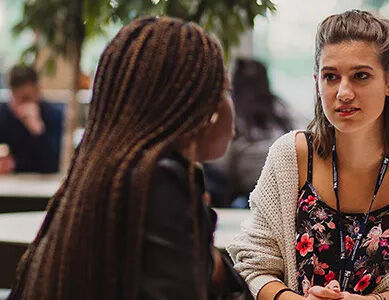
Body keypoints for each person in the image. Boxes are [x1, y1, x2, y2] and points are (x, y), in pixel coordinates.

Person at [8, 17, 250, 300]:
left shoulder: (102, 172)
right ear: (199, 107)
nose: (228, 102)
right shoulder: (160, 183)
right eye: (223, 90)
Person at [227, 10, 389, 300]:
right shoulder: (292, 156)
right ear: (317, 82)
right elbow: (253, 263)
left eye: (360, 76)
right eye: (331, 77)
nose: (343, 92)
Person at [205, 58, 295, 208]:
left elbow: (222, 163)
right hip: (285, 190)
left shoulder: (234, 111)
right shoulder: (282, 109)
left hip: (247, 193)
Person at [0, 65, 63, 173]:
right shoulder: (4, 113)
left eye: (26, 97)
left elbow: (53, 164)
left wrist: (37, 129)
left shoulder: (53, 114)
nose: (21, 103)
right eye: (16, 97)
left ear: (37, 90)